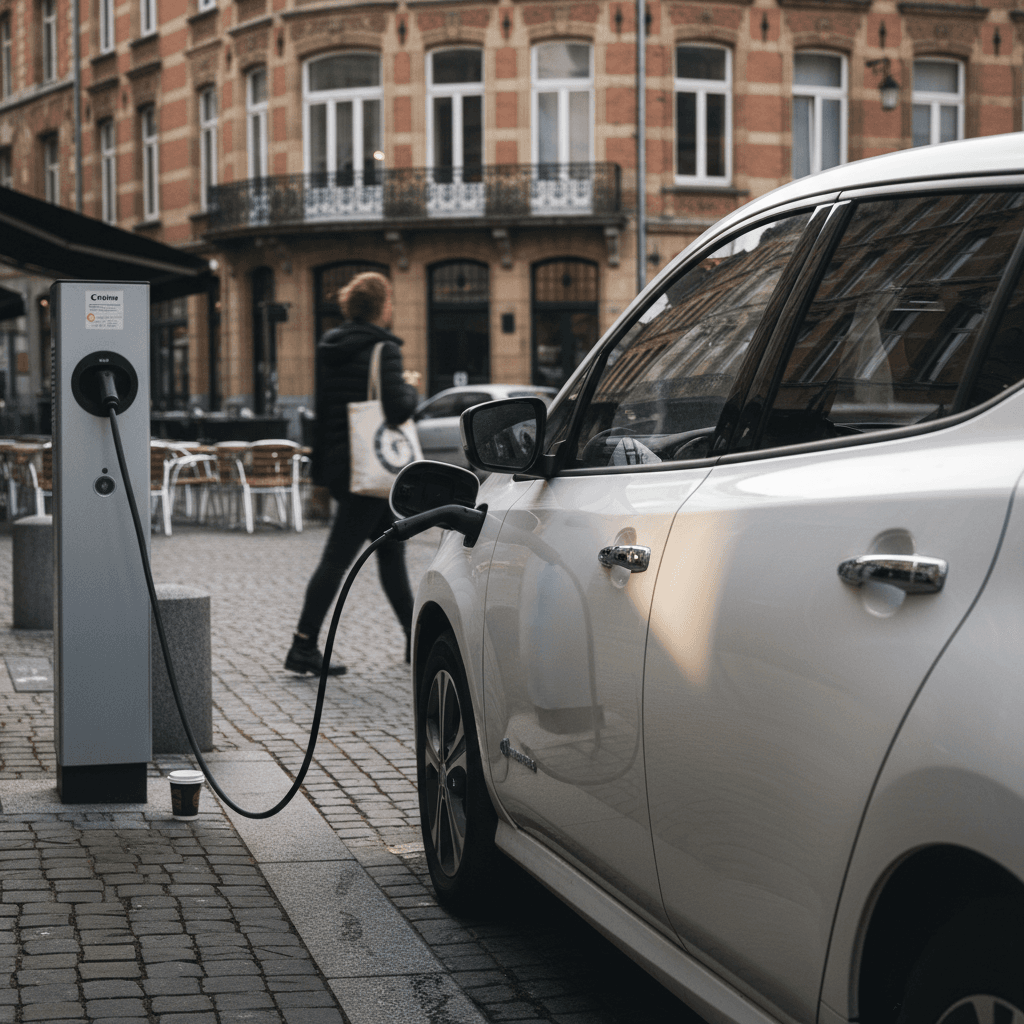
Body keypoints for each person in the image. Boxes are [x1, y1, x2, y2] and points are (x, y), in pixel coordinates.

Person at [285, 272, 421, 676]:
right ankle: (303, 645)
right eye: (390, 301)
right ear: (381, 306)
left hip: (348, 468)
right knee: (337, 558)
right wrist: (412, 387)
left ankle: (416, 639)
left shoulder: (332, 349)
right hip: (371, 469)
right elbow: (398, 409)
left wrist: (322, 476)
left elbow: (324, 413)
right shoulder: (383, 350)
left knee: (392, 552)